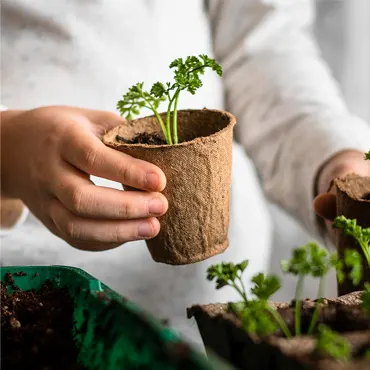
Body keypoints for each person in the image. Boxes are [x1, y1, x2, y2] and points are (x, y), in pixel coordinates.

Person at [1, 0, 369, 346]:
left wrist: (338, 160)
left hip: (208, 317)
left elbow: (264, 47)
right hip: (28, 308)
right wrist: (9, 149)